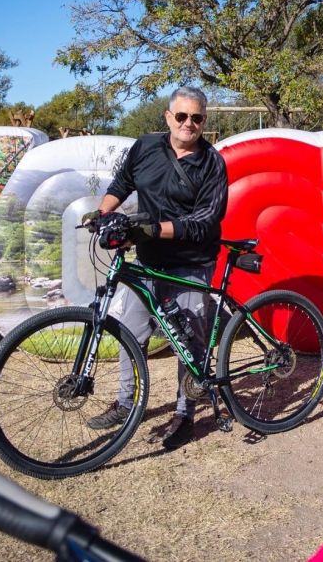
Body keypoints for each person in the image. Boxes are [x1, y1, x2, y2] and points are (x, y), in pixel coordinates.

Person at [86, 85, 228, 450]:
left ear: (204, 121)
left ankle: (185, 413)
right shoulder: (146, 146)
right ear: (168, 117)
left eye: (196, 118)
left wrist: (150, 228)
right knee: (128, 331)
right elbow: (122, 183)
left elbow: (204, 222)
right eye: (181, 116)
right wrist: (104, 214)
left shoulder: (212, 163)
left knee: (188, 342)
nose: (188, 124)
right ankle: (125, 402)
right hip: (148, 260)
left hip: (190, 263)